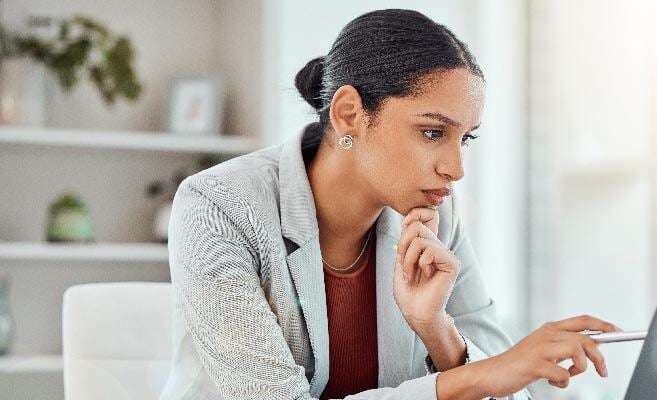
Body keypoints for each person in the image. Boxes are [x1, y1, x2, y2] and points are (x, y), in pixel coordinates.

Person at [158, 8, 619, 400]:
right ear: (349, 113)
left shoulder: (437, 215)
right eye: (433, 132)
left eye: (466, 138)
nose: (456, 168)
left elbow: (503, 389)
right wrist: (471, 378)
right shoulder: (218, 206)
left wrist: (437, 330)